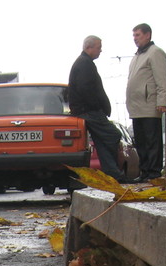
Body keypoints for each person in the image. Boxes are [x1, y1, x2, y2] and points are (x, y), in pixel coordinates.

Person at [68, 35, 128, 183]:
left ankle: (113, 174)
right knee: (113, 135)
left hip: (86, 111)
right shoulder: (84, 64)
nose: (101, 50)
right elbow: (86, 89)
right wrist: (97, 107)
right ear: (89, 47)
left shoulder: (84, 63)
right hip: (89, 112)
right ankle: (113, 173)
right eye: (98, 47)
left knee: (102, 140)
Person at [126, 23, 166, 182]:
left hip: (150, 104)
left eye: (138, 35)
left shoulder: (155, 53)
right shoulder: (137, 56)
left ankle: (154, 173)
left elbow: (162, 79)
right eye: (134, 35)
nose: (135, 39)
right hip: (136, 106)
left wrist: (162, 101)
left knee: (152, 141)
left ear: (148, 35)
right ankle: (144, 172)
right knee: (141, 142)